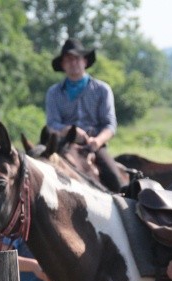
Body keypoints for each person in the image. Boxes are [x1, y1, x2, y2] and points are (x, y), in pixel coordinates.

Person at [45, 38, 124, 192]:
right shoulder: (53, 92)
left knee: (116, 181)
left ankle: (125, 211)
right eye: (68, 60)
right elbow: (52, 124)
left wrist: (98, 141)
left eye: (76, 59)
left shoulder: (102, 89)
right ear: (63, 65)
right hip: (62, 145)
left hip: (93, 145)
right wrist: (69, 131)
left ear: (85, 62)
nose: (73, 63)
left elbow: (110, 124)